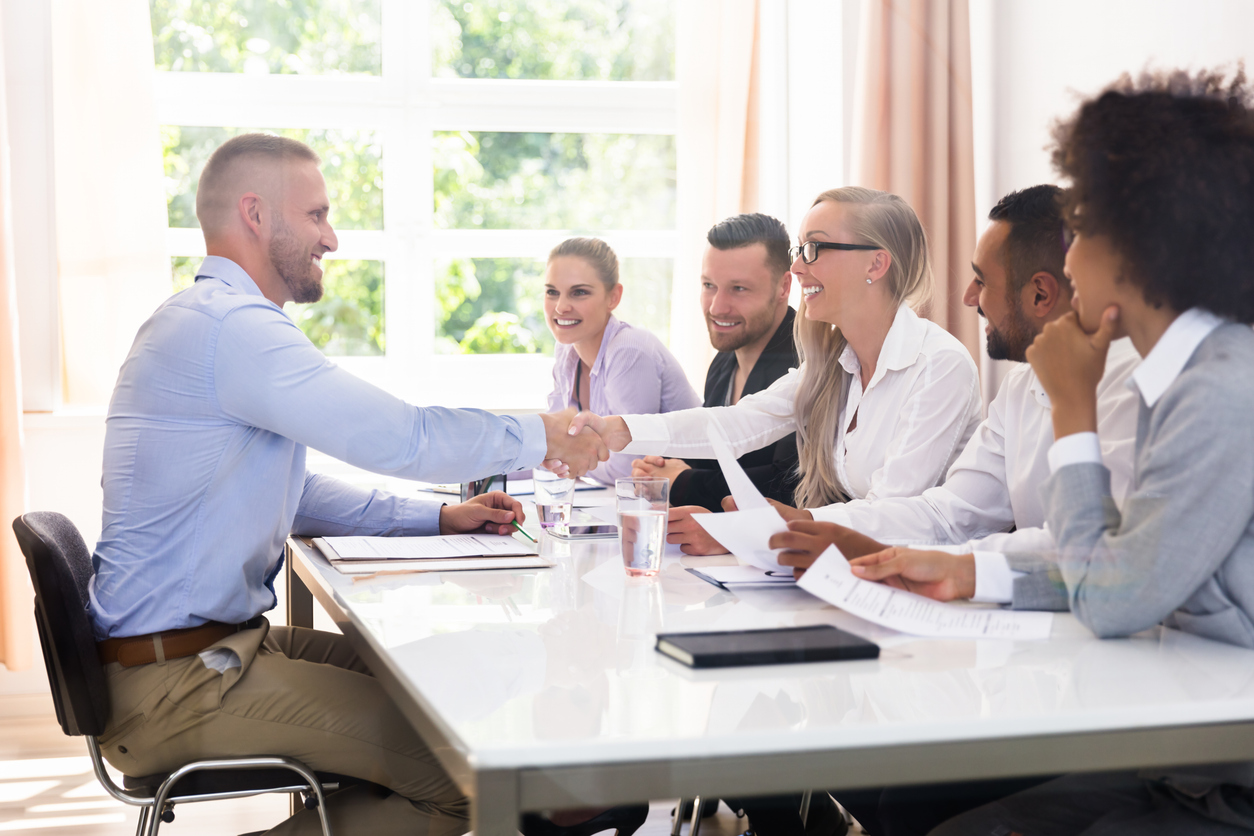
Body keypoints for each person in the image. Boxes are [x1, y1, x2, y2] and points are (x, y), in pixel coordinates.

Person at [89, 134, 615, 836]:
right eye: (317, 215)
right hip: (177, 686)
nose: (332, 238)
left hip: (205, 653)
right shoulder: (229, 331)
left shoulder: (205, 324)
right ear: (255, 213)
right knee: (462, 778)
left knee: (424, 688)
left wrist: (439, 519)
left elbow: (292, 495)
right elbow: (401, 438)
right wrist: (543, 435)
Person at [867, 69, 1254, 835]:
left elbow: (1114, 598)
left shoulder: (1220, 390)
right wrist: (967, 570)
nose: (1068, 260)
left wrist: (1072, 409)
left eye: (1083, 227)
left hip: (1224, 786)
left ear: (1141, 243)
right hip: (1173, 759)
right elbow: (1132, 561)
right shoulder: (1187, 378)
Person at [762, 185, 1142, 836]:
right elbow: (954, 510)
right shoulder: (1022, 387)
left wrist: (955, 568)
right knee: (884, 792)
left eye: (979, 281)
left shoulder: (1135, 390)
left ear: (1043, 294)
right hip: (1040, 660)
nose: (968, 299)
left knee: (906, 803)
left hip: (1117, 686)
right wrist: (832, 531)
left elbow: (1101, 554)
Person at [572, 187, 982, 519]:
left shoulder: (939, 366)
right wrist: (619, 429)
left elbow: (890, 513)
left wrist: (780, 527)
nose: (799, 269)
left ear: (875, 265)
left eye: (815, 249)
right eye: (800, 251)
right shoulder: (838, 362)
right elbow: (738, 425)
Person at [631, 213, 800, 555]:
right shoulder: (724, 361)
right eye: (709, 285)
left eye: (738, 288)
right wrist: (662, 465)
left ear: (783, 287)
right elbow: (716, 457)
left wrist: (683, 481)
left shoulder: (806, 364)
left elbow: (788, 486)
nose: (717, 306)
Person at [544, 236, 701, 484]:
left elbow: (627, 469)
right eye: (552, 292)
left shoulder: (629, 350)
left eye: (579, 292)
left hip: (687, 499)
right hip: (618, 502)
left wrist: (564, 459)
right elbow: (551, 439)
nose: (561, 307)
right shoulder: (566, 350)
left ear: (613, 297)